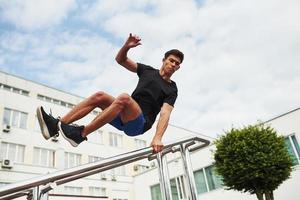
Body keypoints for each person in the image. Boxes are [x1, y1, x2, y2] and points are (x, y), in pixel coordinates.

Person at [37, 33, 184, 153]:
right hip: (123, 116)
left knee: (124, 98)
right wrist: (126, 47)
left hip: (139, 124)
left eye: (177, 64)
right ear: (164, 60)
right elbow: (121, 60)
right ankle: (55, 126)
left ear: (178, 68)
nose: (173, 64)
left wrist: (157, 138)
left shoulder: (171, 89)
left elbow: (165, 113)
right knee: (100, 96)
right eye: (171, 60)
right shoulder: (147, 71)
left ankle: (81, 134)